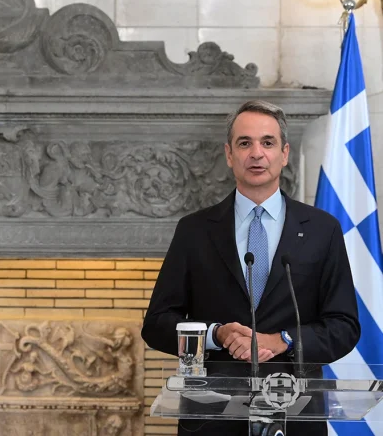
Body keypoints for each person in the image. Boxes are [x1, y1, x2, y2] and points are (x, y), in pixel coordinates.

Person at [142, 100, 360, 436]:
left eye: (267, 142)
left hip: (294, 411)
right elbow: (157, 323)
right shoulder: (195, 230)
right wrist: (216, 335)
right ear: (229, 155)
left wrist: (283, 340)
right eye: (245, 143)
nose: (256, 153)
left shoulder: (322, 229)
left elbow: (343, 326)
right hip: (212, 416)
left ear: (284, 154)